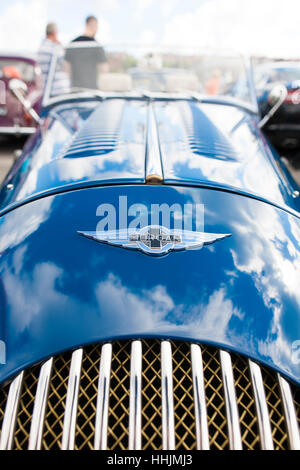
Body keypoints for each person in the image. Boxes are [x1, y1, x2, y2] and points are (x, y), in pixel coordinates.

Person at [65, 16, 108, 90]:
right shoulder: (96, 45)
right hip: (92, 91)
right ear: (92, 25)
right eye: (96, 26)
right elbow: (104, 69)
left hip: (75, 89)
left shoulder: (73, 44)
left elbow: (66, 68)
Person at [37, 23, 70, 96]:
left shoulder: (40, 49)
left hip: (45, 91)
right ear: (55, 34)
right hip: (58, 91)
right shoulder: (56, 49)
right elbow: (66, 65)